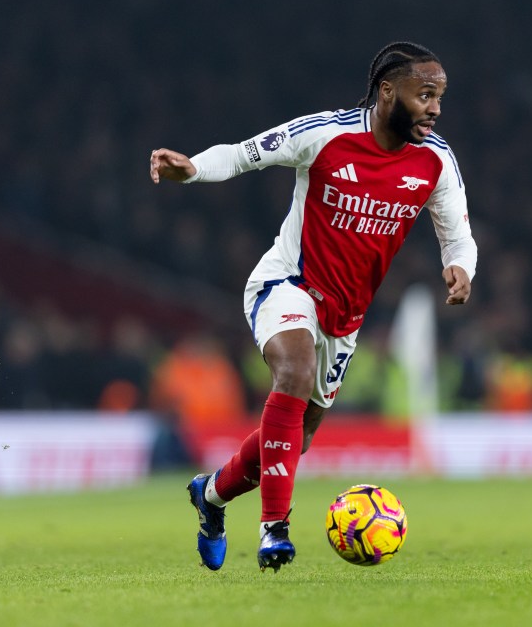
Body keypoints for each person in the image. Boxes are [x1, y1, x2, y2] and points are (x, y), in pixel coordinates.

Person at [149, 42, 478, 572]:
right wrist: (192, 169)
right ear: (387, 91)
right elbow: (242, 153)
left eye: (439, 97)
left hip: (345, 320)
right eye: (425, 95)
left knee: (293, 440)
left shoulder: (435, 161)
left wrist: (461, 268)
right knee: (294, 373)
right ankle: (273, 530)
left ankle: (209, 495)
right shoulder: (326, 134)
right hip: (287, 283)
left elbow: (459, 236)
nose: (436, 108)